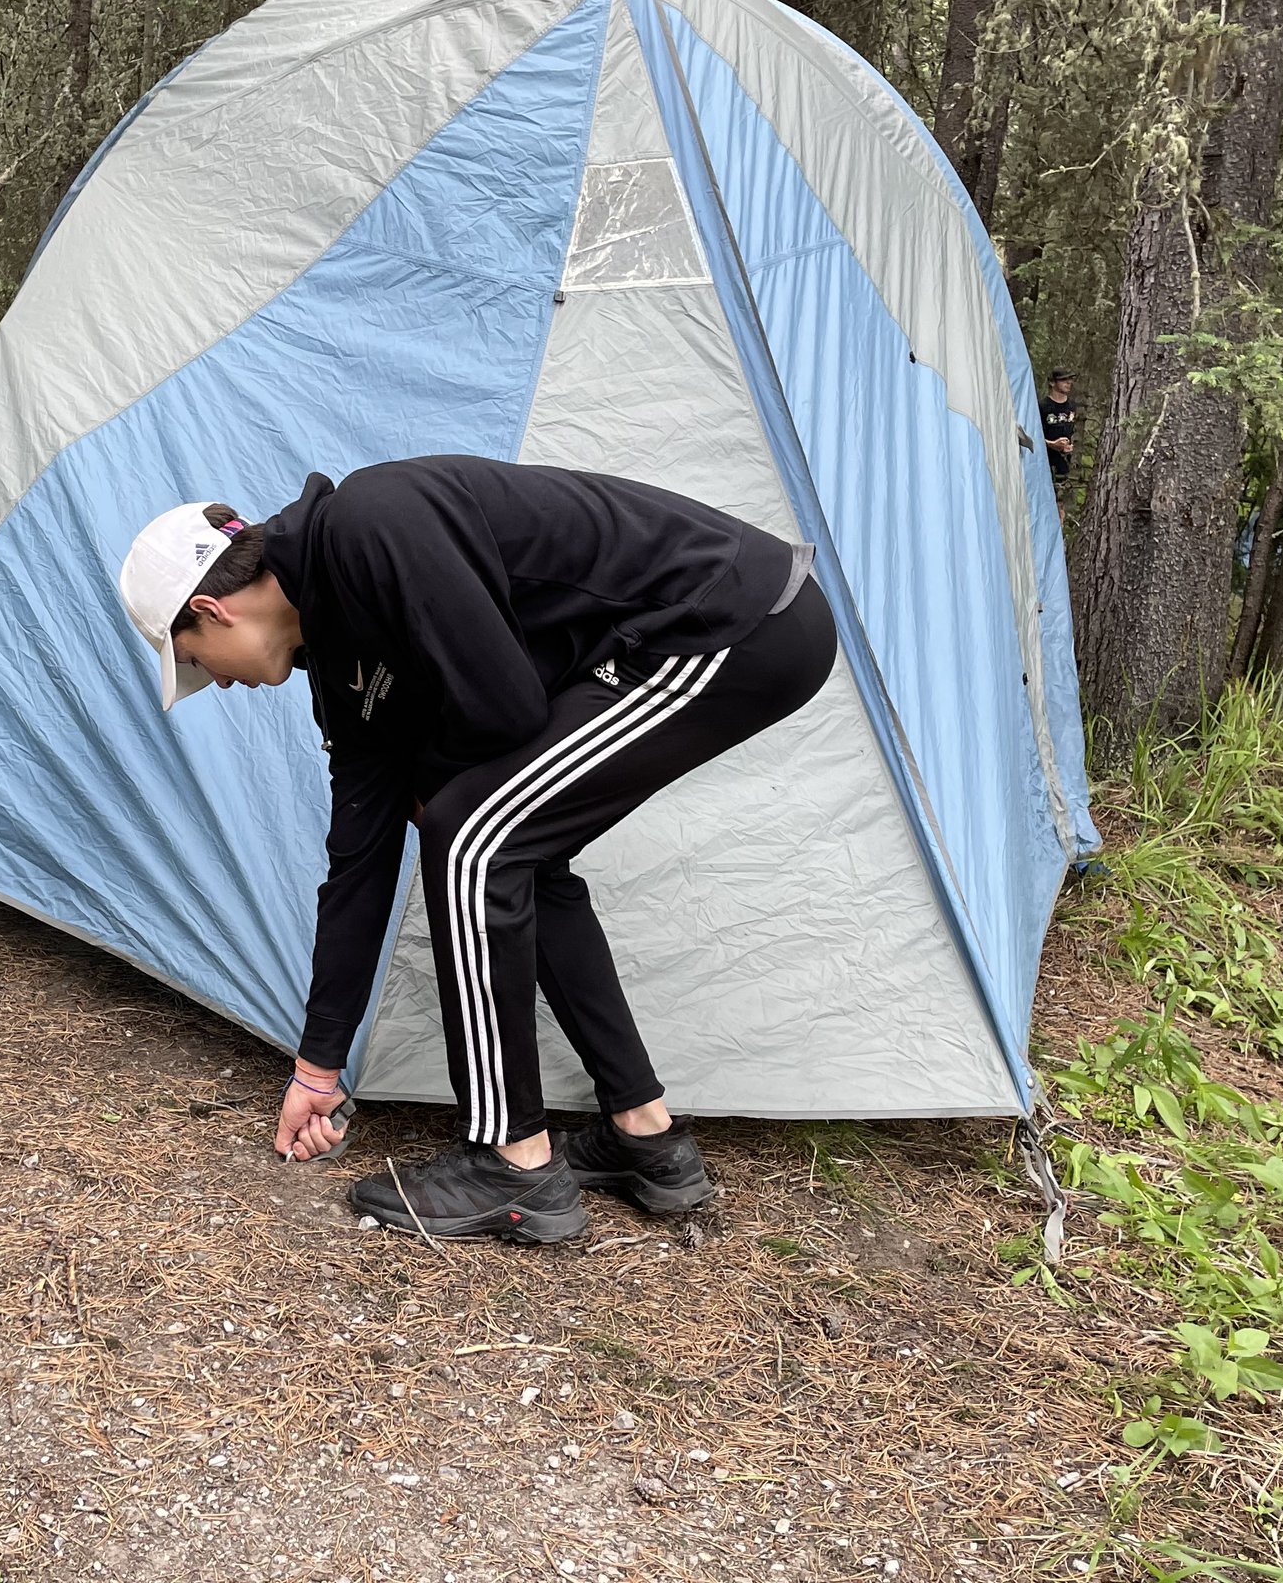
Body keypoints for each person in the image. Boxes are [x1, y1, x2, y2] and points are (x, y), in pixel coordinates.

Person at [114, 458, 837, 1244]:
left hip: (728, 619)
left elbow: (506, 707)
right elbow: (358, 862)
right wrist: (317, 1068)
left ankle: (512, 1160)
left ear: (212, 610)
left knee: (469, 836)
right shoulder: (343, 666)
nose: (215, 685)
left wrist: (432, 789)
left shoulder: (369, 523)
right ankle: (646, 1135)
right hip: (684, 632)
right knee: (507, 844)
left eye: (193, 661)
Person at [1039, 370, 1076, 478]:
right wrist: (1052, 444)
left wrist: (1069, 446)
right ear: (1052, 382)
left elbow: (1073, 431)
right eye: (1063, 380)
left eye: (1070, 379)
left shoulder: (1072, 406)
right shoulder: (1042, 406)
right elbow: (1034, 435)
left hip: (1065, 464)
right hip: (1045, 462)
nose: (1068, 382)